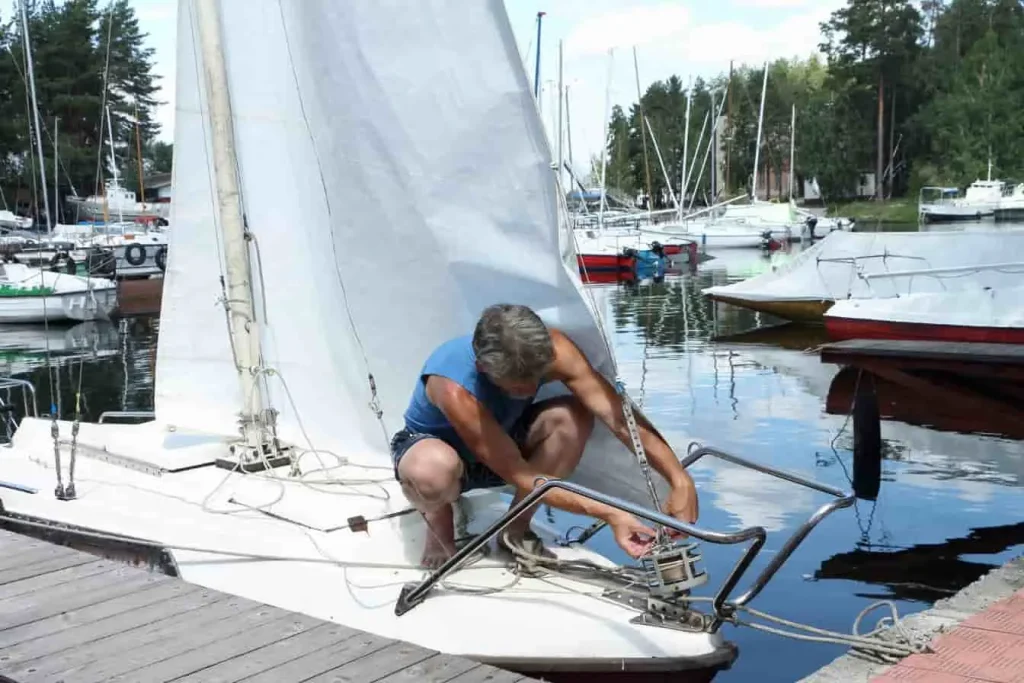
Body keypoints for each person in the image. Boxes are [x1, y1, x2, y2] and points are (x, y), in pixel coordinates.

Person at [391, 303, 699, 568]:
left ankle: (515, 528)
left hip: (505, 437)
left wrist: (679, 478)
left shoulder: (556, 351)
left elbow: (619, 419)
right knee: (431, 470)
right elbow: (521, 473)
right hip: (440, 450)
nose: (528, 390)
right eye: (516, 385)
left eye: (535, 380)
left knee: (573, 416)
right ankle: (439, 520)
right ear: (483, 368)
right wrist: (610, 514)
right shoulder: (451, 387)